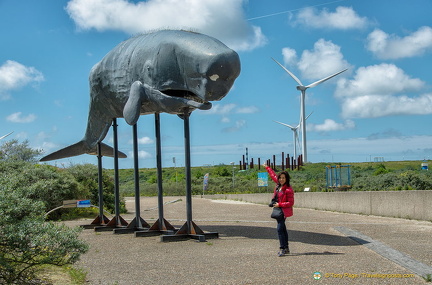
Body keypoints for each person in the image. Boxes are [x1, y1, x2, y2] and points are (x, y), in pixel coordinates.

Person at [264, 163, 294, 256]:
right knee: (283, 229)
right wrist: (267, 168)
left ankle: (282, 248)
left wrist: (280, 204)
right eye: (280, 178)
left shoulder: (288, 189)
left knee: (280, 229)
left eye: (283, 178)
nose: (281, 179)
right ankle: (286, 247)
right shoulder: (278, 186)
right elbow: (273, 175)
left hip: (283, 211)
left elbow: (291, 203)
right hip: (279, 209)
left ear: (287, 179)